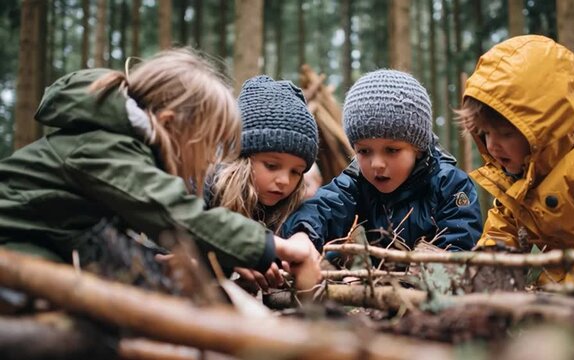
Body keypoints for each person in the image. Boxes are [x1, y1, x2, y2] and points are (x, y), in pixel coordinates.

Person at [0, 49, 320, 289]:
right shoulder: (106, 148)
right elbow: (178, 215)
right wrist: (276, 247)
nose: (211, 158)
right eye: (207, 143)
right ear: (172, 126)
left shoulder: (119, 146)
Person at [456, 35, 574, 294]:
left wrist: (573, 299)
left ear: (544, 128)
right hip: (561, 292)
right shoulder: (519, 180)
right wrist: (483, 282)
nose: (492, 146)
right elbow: (500, 234)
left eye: (505, 133)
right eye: (485, 134)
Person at [280, 69, 483, 254]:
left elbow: (460, 246)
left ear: (418, 148)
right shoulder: (358, 182)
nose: (376, 163)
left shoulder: (451, 185)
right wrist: (302, 235)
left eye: (392, 150)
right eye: (364, 151)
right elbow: (324, 206)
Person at [204, 75, 321, 290]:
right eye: (271, 166)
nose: (285, 181)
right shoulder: (204, 188)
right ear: (241, 158)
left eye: (296, 172)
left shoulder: (289, 212)